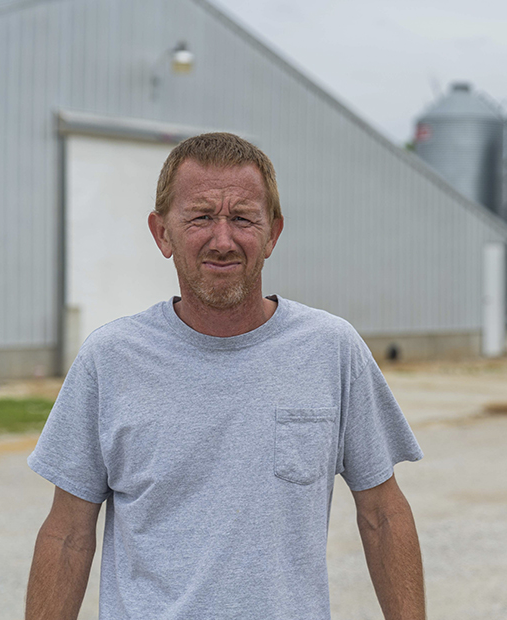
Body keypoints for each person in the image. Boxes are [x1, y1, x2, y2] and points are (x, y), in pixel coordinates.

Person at [25, 133, 425, 620]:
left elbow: (384, 515)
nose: (222, 239)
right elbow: (66, 535)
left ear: (273, 232)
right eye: (200, 217)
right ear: (162, 233)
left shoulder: (330, 349)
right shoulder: (110, 359)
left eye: (242, 217)